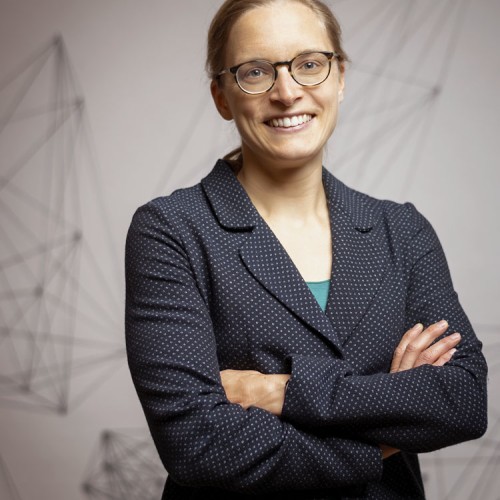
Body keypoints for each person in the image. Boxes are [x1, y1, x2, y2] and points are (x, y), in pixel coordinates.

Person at [125, 0, 488, 498]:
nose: (288, 92)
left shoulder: (401, 230)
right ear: (222, 97)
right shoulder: (172, 231)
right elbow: (198, 443)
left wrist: (280, 392)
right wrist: (385, 432)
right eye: (256, 72)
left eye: (309, 65)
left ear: (340, 77)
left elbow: (462, 401)